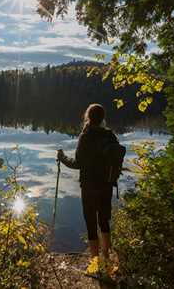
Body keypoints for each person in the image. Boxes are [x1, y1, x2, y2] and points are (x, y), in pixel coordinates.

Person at [57, 103, 118, 261]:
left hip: (89, 187)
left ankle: (95, 261)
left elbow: (77, 163)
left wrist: (62, 157)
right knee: (104, 220)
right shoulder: (110, 135)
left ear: (88, 117)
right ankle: (106, 257)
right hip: (106, 186)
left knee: (91, 223)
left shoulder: (86, 136)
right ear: (103, 118)